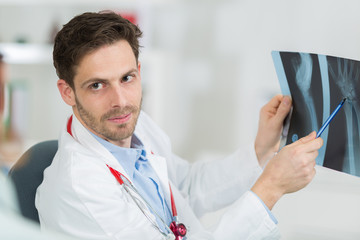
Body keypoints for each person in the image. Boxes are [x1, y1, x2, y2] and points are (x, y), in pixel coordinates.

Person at [35, 11, 323, 240]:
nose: (120, 101)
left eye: (127, 78)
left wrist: (262, 148)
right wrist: (271, 187)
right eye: (97, 85)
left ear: (139, 71)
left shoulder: (131, 126)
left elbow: (187, 187)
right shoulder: (79, 189)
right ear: (67, 91)